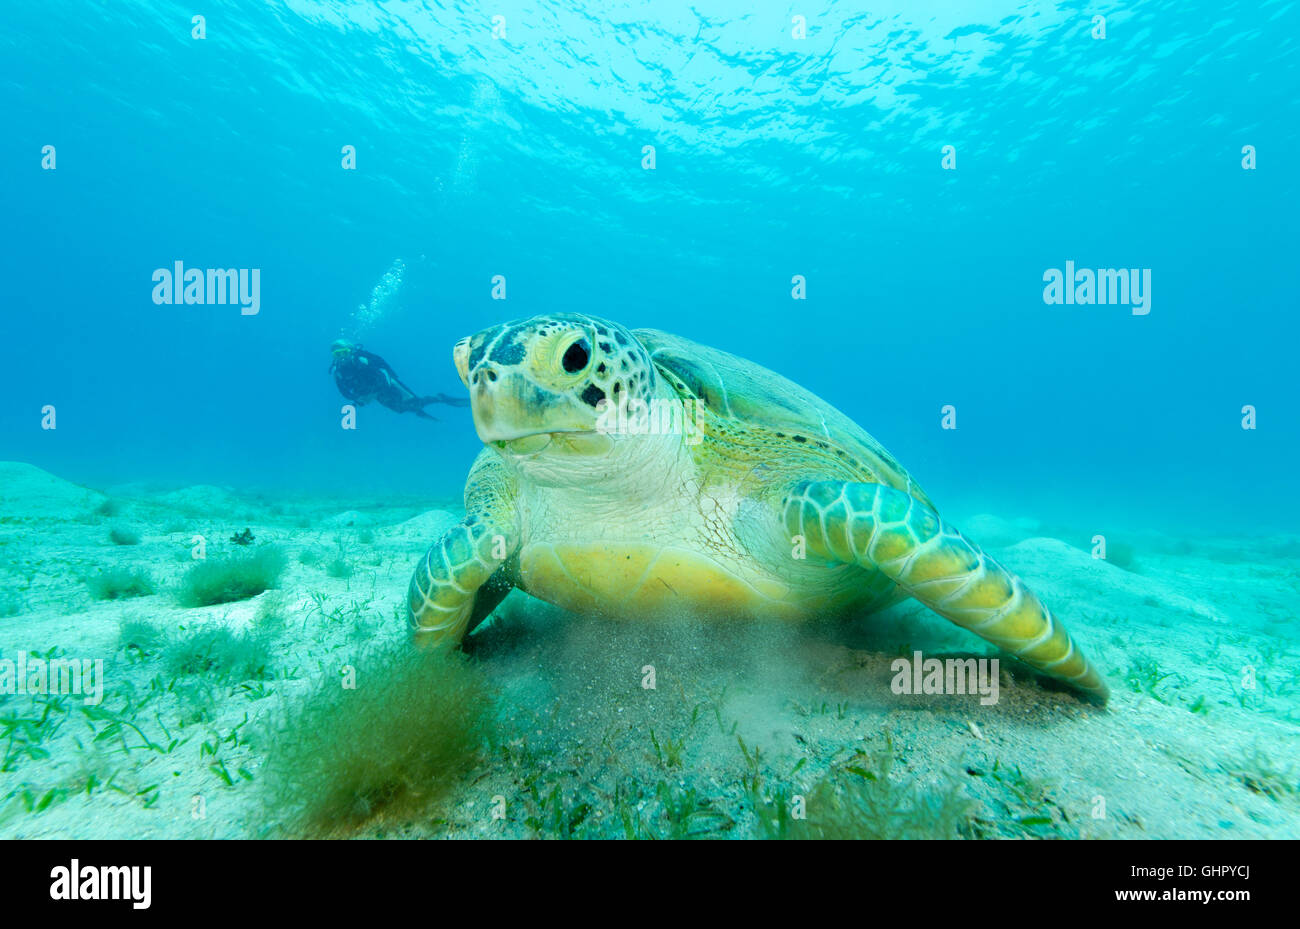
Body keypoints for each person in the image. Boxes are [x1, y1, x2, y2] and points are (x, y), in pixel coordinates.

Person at [329, 339, 468, 420]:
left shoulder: (362, 361)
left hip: (390, 386)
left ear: (351, 351)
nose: (342, 357)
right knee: (401, 409)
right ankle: (417, 411)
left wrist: (371, 394)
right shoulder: (338, 372)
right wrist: (358, 398)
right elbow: (344, 392)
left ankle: (440, 398)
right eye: (337, 354)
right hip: (375, 395)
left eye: (344, 352)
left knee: (415, 402)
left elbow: (383, 377)